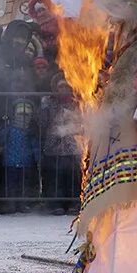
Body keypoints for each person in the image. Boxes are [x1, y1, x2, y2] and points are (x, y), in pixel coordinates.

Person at [40, 76, 82, 215]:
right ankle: (55, 203)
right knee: (55, 175)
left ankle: (72, 202)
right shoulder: (49, 103)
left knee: (72, 175)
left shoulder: (77, 103)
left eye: (66, 87)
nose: (63, 90)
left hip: (72, 145)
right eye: (60, 87)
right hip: (54, 145)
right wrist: (44, 109)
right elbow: (43, 123)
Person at [0, 96, 42, 213]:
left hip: (26, 162)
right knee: (10, 184)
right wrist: (4, 126)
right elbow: (0, 139)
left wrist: (38, 158)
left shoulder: (30, 131)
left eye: (26, 115)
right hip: (10, 162)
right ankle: (10, 203)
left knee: (23, 185)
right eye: (20, 114)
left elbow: (35, 146)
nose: (23, 118)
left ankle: (22, 203)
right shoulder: (9, 128)